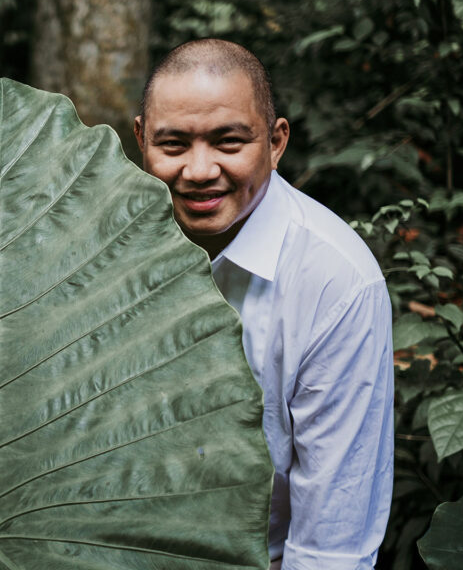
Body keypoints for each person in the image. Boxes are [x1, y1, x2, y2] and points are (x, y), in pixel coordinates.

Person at [134, 39, 393, 570]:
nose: (200, 170)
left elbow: (331, 546)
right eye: (174, 144)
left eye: (229, 142)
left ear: (276, 143)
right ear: (141, 138)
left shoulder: (335, 281)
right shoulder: (102, 250)